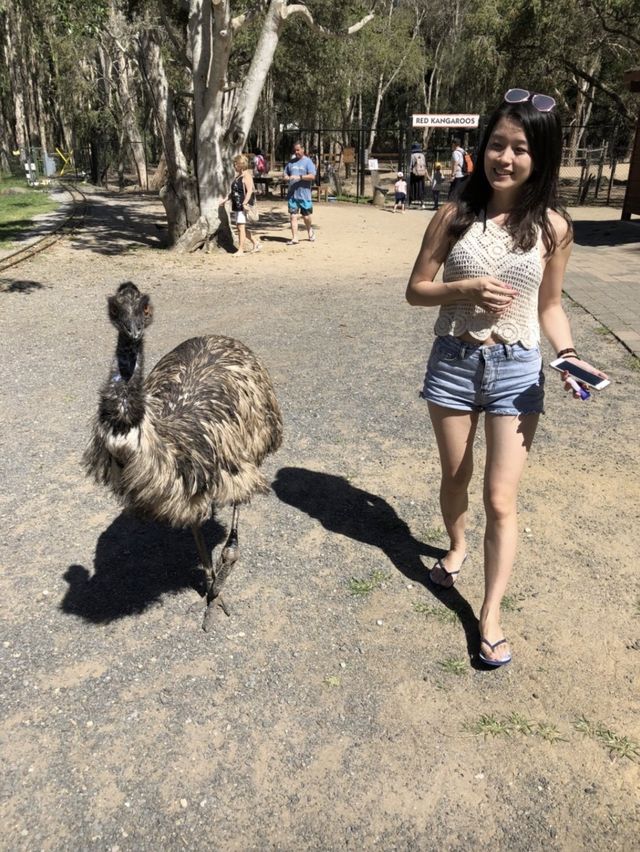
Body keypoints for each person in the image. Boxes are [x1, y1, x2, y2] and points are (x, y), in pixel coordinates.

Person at [406, 89, 607, 667]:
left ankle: (489, 613)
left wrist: (567, 354)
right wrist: (461, 289)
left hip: (516, 368)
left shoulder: (554, 228)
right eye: (497, 144)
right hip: (453, 361)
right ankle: (457, 546)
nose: (505, 158)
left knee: (500, 498)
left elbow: (549, 306)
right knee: (455, 475)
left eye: (520, 148)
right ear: (482, 147)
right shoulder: (452, 215)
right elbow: (416, 291)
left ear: (539, 157)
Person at [284, 141, 316, 245]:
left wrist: (300, 177)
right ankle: (295, 238)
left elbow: (312, 176)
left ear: (303, 150)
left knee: (306, 216)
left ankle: (310, 230)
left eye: (298, 150)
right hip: (293, 195)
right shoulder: (291, 162)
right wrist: (288, 178)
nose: (296, 152)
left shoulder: (308, 162)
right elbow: (284, 175)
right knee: (293, 216)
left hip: (304, 195)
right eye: (295, 150)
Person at [228, 154, 261, 255]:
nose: (234, 166)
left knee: (241, 227)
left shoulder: (247, 176)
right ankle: (256, 243)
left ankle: (241, 249)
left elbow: (250, 190)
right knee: (239, 226)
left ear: (240, 165)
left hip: (242, 206)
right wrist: (225, 199)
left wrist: (245, 203)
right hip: (237, 205)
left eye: (235, 164)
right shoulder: (238, 176)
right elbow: (234, 191)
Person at [410, 142, 428, 208]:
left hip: (414, 174)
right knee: (421, 187)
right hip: (422, 174)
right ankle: (422, 202)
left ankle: (410, 201)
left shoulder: (412, 155)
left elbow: (410, 165)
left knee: (413, 187)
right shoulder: (422, 155)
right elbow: (425, 164)